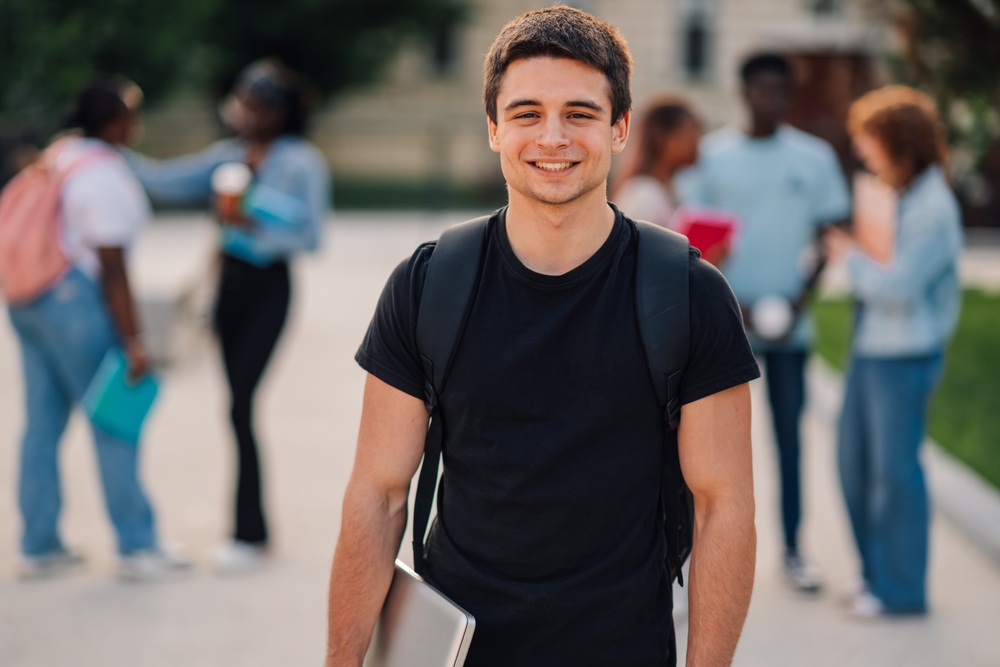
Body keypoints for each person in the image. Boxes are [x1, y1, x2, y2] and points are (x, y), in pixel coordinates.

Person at [326, 8, 759, 667]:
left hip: (624, 647)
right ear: (495, 129)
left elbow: (722, 507)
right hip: (457, 649)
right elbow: (376, 494)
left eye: (580, 114)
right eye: (527, 113)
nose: (552, 136)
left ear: (619, 130)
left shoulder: (688, 293)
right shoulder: (429, 283)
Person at [124, 60, 330, 573]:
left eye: (256, 104)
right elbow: (166, 181)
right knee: (233, 407)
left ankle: (249, 532)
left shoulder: (300, 161)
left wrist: (254, 208)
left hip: (269, 288)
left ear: (279, 113)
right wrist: (107, 151)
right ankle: (249, 531)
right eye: (242, 100)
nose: (244, 111)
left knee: (241, 405)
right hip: (229, 289)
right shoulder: (228, 157)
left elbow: (310, 235)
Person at [678, 53, 850, 592]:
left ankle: (795, 550)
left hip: (789, 331)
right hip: (722, 333)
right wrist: (736, 305)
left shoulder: (814, 157)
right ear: (743, 90)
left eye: (779, 91)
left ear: (788, 95)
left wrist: (798, 301)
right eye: (760, 90)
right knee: (707, 451)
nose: (768, 100)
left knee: (790, 442)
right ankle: (691, 557)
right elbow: (695, 243)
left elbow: (830, 236)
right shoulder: (711, 157)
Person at [7, 78, 190, 581]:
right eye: (133, 114)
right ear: (113, 123)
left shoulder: (62, 153)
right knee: (114, 418)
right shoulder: (102, 174)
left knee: (42, 422)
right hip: (73, 300)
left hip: (29, 298)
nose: (138, 123)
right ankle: (136, 545)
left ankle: (38, 543)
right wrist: (134, 341)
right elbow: (112, 269)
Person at [824, 86, 962, 618]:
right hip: (872, 350)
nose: (862, 151)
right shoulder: (898, 194)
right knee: (854, 465)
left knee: (895, 474)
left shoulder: (933, 207)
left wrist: (849, 256)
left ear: (897, 142)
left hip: (904, 356)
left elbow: (898, 288)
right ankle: (876, 578)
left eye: (869, 140)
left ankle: (902, 590)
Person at [610, 96, 700, 230]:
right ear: (665, 139)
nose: (697, 143)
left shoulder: (677, 190)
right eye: (690, 134)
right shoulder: (642, 196)